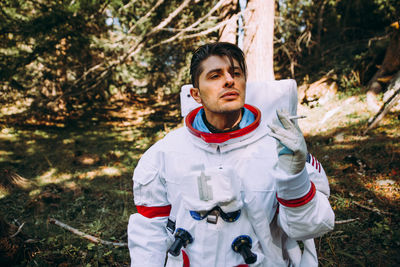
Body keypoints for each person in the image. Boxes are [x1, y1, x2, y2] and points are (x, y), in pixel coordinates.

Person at [127, 42, 334, 267]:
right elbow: (150, 232)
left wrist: (294, 178)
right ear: (196, 94)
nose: (229, 80)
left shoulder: (281, 149)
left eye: (236, 73)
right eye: (215, 75)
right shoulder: (164, 154)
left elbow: (311, 228)